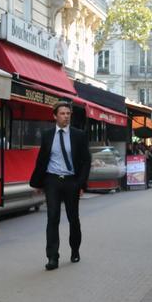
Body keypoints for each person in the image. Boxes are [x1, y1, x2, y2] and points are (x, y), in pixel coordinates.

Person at [29, 101, 91, 271]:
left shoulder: (79, 135)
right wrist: (37, 182)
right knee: (52, 217)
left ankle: (75, 249)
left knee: (73, 218)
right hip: (52, 180)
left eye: (68, 113)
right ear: (55, 116)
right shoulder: (47, 135)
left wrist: (81, 183)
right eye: (62, 114)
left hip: (71, 181)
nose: (66, 116)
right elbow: (42, 159)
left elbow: (86, 161)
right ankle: (52, 257)